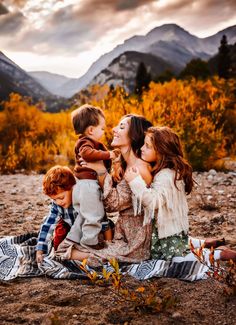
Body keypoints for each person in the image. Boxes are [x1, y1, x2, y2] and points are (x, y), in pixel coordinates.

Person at [124, 126, 236, 262]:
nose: (142, 148)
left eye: (147, 146)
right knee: (171, 247)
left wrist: (135, 182)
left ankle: (220, 254)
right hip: (171, 230)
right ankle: (201, 243)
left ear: (161, 151)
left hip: (169, 233)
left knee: (177, 259)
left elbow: (154, 202)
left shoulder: (166, 176)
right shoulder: (167, 172)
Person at [56, 114, 154, 264]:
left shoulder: (138, 169)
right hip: (122, 231)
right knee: (70, 241)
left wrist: (101, 172)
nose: (114, 129)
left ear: (134, 136)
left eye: (121, 127)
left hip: (134, 240)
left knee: (66, 252)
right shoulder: (124, 165)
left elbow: (112, 205)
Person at [66, 104, 119, 249]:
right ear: (91, 129)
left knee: (84, 216)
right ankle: (89, 243)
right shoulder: (86, 142)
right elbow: (86, 154)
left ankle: (72, 240)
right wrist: (109, 154)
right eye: (102, 128)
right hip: (88, 186)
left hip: (82, 186)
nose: (103, 131)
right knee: (94, 216)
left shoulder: (88, 142)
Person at [36, 165, 77, 264]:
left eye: (61, 198)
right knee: (59, 236)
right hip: (68, 223)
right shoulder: (57, 204)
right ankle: (59, 250)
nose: (58, 202)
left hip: (84, 226)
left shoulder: (80, 197)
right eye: (54, 199)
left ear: (72, 188)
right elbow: (48, 224)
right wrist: (40, 250)